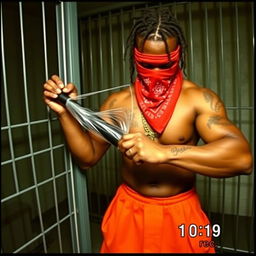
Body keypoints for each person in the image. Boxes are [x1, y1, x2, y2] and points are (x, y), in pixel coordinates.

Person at [43, 7, 252, 253]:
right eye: (145, 64)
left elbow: (242, 159)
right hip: (129, 208)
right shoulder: (117, 103)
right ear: (134, 56)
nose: (154, 74)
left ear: (179, 55)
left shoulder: (199, 99)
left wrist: (163, 152)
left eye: (164, 64)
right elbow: (87, 158)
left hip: (183, 210)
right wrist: (65, 114)